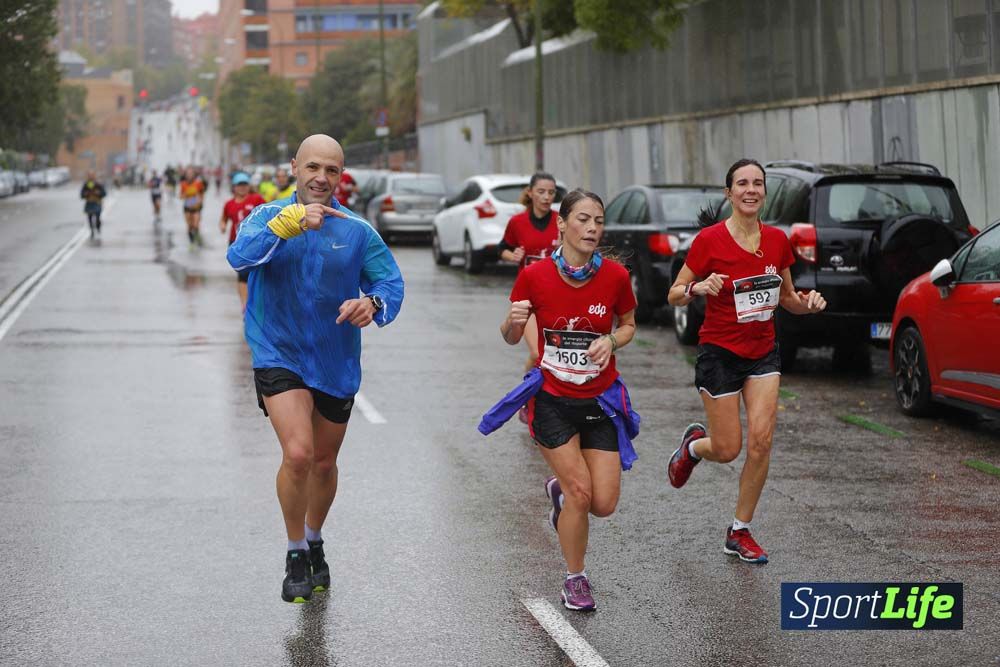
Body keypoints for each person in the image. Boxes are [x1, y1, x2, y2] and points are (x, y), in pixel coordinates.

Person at [226, 134, 404, 604]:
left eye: (331, 170)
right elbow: (238, 256)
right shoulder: (266, 217)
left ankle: (315, 536)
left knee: (324, 463)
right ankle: (294, 552)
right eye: (312, 168)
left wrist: (373, 303)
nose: (321, 178)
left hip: (335, 357)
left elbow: (389, 282)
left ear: (340, 176)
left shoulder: (357, 230)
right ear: (294, 168)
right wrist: (287, 223)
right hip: (277, 351)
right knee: (300, 454)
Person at [666, 158, 827, 564]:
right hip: (719, 353)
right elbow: (674, 293)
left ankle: (740, 530)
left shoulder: (776, 241)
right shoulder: (709, 241)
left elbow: (787, 298)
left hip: (763, 353)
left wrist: (808, 305)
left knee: (761, 440)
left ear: (764, 192)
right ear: (729, 193)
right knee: (727, 448)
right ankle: (694, 448)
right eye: (742, 183)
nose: (751, 189)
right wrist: (699, 287)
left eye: (758, 183)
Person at [492, 189, 638, 612]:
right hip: (552, 400)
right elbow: (510, 336)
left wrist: (611, 340)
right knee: (581, 492)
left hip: (599, 400)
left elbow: (628, 324)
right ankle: (575, 577)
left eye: (599, 221)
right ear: (562, 223)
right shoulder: (534, 277)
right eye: (584, 219)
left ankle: (558, 492)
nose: (592, 228)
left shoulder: (614, 276)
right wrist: (512, 322)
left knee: (604, 504)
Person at [498, 172, 561, 421]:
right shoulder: (517, 222)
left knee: (555, 355)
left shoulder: (561, 221)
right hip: (528, 298)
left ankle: (552, 401)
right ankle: (527, 398)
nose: (546, 197)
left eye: (551, 192)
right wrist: (512, 256)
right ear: (531, 192)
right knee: (537, 353)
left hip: (558, 296)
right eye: (542, 191)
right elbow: (503, 248)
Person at [219, 172, 265, 310]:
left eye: (245, 184)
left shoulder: (256, 199)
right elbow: (223, 219)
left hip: (256, 242)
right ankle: (245, 305)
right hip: (237, 243)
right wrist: (222, 226)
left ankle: (256, 302)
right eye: (239, 185)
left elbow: (268, 213)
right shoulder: (229, 204)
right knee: (242, 274)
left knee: (257, 273)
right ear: (234, 187)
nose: (242, 187)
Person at [179, 167, 207, 249]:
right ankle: (191, 242)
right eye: (188, 174)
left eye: (191, 173)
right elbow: (180, 196)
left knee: (196, 224)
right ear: (186, 175)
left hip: (196, 207)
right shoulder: (183, 184)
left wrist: (200, 201)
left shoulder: (198, 183)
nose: (189, 175)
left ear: (194, 175)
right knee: (189, 225)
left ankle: (197, 236)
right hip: (187, 207)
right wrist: (186, 194)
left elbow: (202, 193)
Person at [80, 172, 107, 239]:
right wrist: (86, 194)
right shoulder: (86, 184)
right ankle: (92, 231)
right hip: (89, 203)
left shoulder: (98, 184)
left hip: (97, 203)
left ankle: (98, 228)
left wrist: (98, 193)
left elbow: (104, 193)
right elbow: (82, 195)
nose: (91, 177)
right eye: (90, 176)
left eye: (92, 175)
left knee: (98, 218)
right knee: (90, 218)